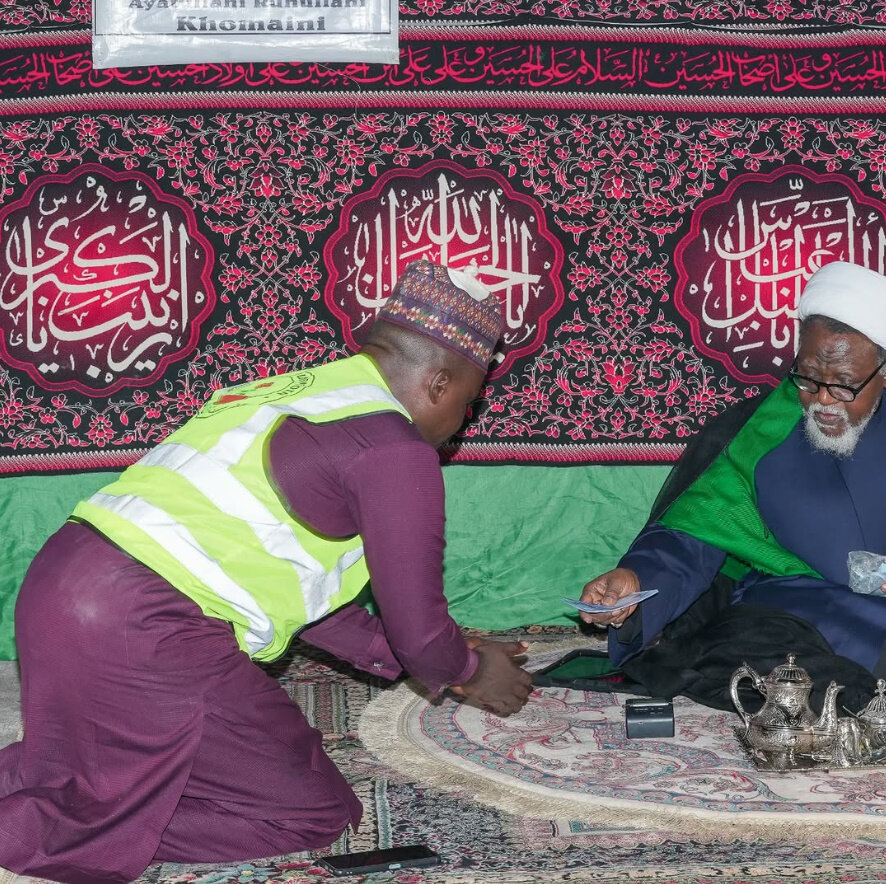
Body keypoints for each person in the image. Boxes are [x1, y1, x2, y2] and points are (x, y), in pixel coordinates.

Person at [0, 259, 533, 884]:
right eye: (467, 405)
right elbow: (419, 630)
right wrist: (468, 670)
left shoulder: (285, 392)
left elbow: (294, 585)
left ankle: (90, 778)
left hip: (59, 587)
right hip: (146, 625)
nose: (460, 427)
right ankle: (67, 820)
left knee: (88, 764)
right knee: (308, 811)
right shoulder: (394, 447)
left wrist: (439, 653)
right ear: (439, 383)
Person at [578, 260, 886, 706]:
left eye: (844, 385)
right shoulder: (757, 434)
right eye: (807, 378)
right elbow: (694, 533)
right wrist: (638, 576)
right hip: (801, 607)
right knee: (738, 652)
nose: (822, 400)